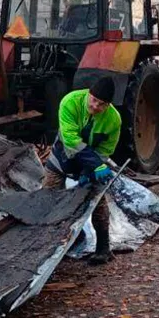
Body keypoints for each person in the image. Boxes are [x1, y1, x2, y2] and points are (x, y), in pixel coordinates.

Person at [43, 76, 121, 265]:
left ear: (108, 105)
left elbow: (106, 150)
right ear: (88, 94)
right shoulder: (70, 102)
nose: (95, 106)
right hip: (62, 158)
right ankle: (50, 246)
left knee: (97, 201)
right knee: (48, 197)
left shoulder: (114, 120)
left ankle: (103, 248)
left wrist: (91, 170)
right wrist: (96, 165)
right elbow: (71, 141)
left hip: (90, 161)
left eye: (101, 104)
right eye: (93, 100)